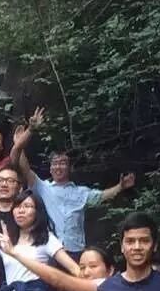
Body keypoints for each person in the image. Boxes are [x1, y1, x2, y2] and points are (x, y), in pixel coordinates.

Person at [12, 107, 135, 259]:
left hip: (76, 249)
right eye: (55, 163)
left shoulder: (81, 192)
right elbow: (23, 166)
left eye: (63, 163)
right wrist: (21, 143)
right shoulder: (43, 187)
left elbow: (102, 196)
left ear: (69, 168)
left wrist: (120, 186)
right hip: (50, 249)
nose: (58, 167)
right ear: (50, 168)